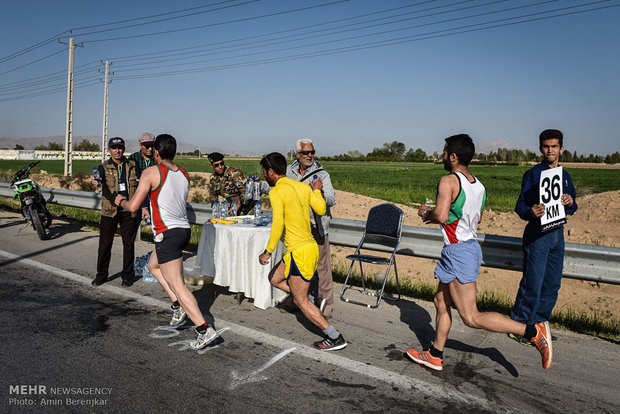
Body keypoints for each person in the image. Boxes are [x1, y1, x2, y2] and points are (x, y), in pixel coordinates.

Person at [406, 134, 553, 371]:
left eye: (445, 152)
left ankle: (531, 331)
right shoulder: (479, 186)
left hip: (458, 252)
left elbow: (442, 216)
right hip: (466, 247)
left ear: (453, 157)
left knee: (471, 316)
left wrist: (426, 213)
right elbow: (476, 218)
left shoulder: (448, 181)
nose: (443, 156)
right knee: (440, 302)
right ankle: (435, 353)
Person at [115, 134, 218, 350]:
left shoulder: (151, 172)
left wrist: (121, 201)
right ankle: (178, 306)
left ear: (157, 152)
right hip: (182, 231)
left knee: (178, 285)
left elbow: (133, 206)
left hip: (167, 234)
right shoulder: (183, 173)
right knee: (153, 266)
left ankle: (203, 328)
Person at [258, 152, 347, 351]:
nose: (264, 175)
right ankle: (314, 301)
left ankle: (335, 337)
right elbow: (321, 208)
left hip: (299, 252)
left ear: (271, 172)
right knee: (274, 278)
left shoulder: (276, 191)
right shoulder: (301, 187)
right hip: (305, 249)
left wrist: (268, 251)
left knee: (300, 300)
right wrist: (316, 191)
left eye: (264, 172)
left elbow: (278, 223)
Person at [509, 129, 577, 345]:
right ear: (541, 148)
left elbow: (574, 205)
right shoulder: (533, 174)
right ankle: (519, 326)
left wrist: (570, 203)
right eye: (546, 146)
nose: (550, 150)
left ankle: (539, 327)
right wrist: (531, 212)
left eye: (554, 146)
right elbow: (520, 206)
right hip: (538, 234)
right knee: (533, 283)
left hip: (557, 233)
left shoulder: (565, 176)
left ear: (561, 149)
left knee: (552, 284)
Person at [285, 138, 336, 318]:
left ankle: (326, 307)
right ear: (297, 154)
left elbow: (332, 199)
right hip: (297, 228)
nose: (310, 156)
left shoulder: (322, 174)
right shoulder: (289, 172)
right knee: (295, 266)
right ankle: (297, 300)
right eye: (306, 153)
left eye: (312, 152)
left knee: (322, 268)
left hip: (317, 227)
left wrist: (320, 192)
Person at [91, 137, 139, 288]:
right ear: (109, 150)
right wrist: (96, 180)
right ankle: (101, 275)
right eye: (114, 148)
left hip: (127, 210)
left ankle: (127, 275)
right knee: (105, 244)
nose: (117, 150)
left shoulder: (132, 165)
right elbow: (97, 178)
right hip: (109, 211)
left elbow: (140, 183)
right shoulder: (104, 167)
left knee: (129, 244)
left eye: (119, 147)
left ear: (123, 149)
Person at [128, 132, 156, 227]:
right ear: (140, 145)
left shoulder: (157, 159)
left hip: (153, 198)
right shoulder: (133, 158)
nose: (150, 149)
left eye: (152, 146)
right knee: (132, 228)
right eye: (147, 146)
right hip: (136, 197)